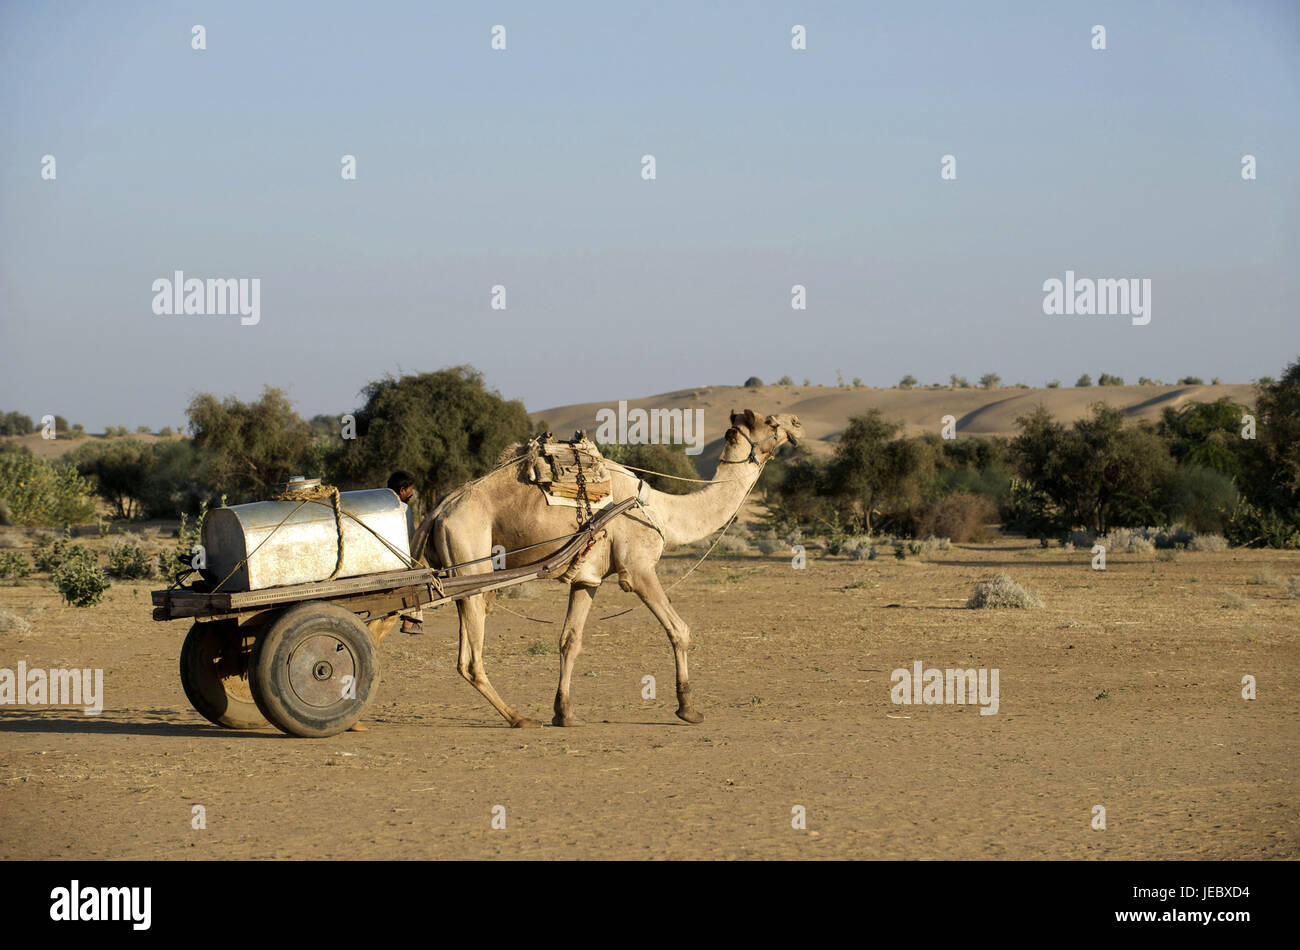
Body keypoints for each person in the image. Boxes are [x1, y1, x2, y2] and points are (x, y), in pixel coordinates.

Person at [387, 471, 424, 635]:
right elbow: (410, 537)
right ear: (402, 490)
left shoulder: (381, 503)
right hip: (396, 561)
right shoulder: (403, 508)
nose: (412, 493)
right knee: (417, 575)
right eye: (410, 489)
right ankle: (411, 620)